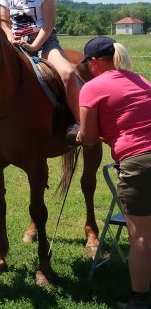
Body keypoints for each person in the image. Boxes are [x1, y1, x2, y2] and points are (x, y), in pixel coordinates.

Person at [76, 36, 151, 309]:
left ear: (94, 62)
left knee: (141, 236)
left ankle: (139, 299)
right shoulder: (141, 79)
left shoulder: (92, 87)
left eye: (88, 64)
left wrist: (79, 135)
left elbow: (89, 138)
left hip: (139, 162)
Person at [0, 0, 80, 139]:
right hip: (15, 44)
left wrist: (35, 46)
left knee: (68, 74)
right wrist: (10, 37)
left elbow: (49, 24)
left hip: (45, 43)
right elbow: (4, 23)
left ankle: (78, 121)